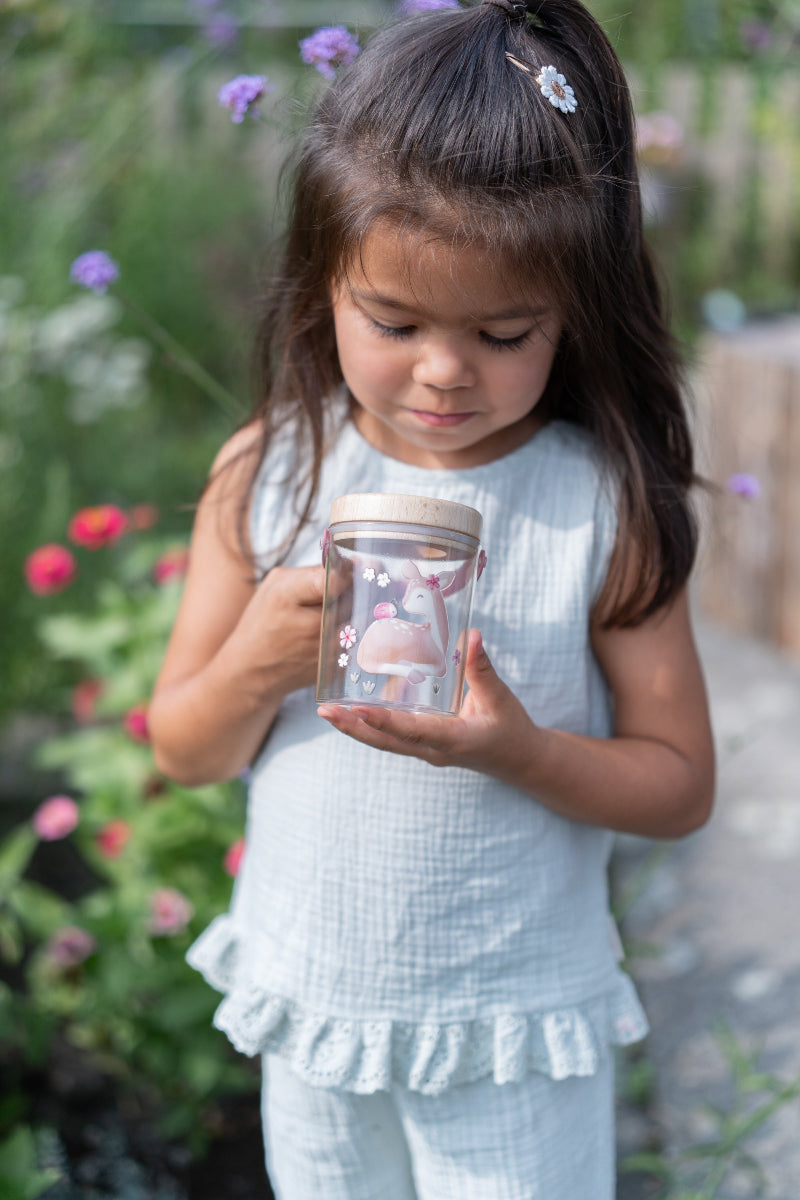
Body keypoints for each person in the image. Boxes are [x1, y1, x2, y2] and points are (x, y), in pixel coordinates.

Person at [149, 1, 715, 1195]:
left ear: (572, 316)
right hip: (316, 1008)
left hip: (509, 1023)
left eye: (504, 332)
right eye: (393, 322)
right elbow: (184, 748)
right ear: (323, 287)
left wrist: (519, 751)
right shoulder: (272, 472)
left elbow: (677, 784)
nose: (445, 370)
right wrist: (256, 659)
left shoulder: (590, 506)